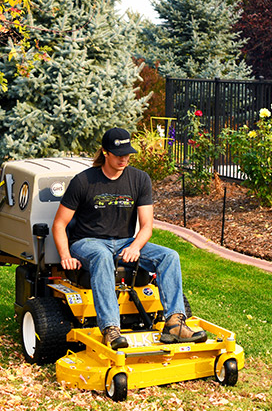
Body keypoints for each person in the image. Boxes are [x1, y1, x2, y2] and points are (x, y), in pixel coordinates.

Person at [52, 127, 207, 350]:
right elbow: (59, 224)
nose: (124, 158)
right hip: (87, 242)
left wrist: (135, 246)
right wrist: (65, 254)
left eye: (127, 153)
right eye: (119, 154)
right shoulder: (84, 181)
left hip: (125, 242)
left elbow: (146, 227)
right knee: (102, 255)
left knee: (169, 256)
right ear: (105, 153)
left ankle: (174, 323)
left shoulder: (139, 179)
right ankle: (111, 329)